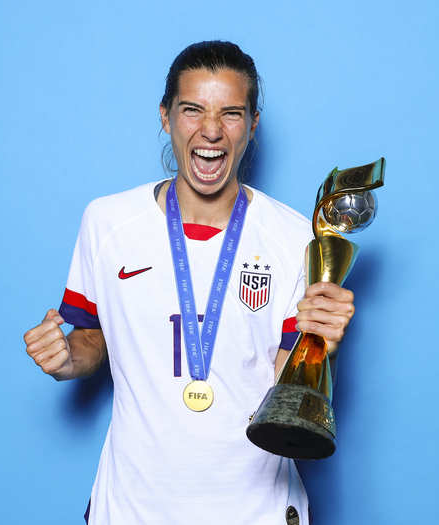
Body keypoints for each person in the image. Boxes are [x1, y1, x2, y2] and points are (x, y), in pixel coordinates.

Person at [23, 41, 355, 525]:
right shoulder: (107, 221)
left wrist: (322, 342)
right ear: (165, 116)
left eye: (232, 113)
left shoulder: (293, 236)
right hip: (132, 509)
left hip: (255, 509)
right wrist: (67, 357)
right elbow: (92, 336)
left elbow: (289, 381)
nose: (211, 131)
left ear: (253, 124)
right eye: (192, 110)